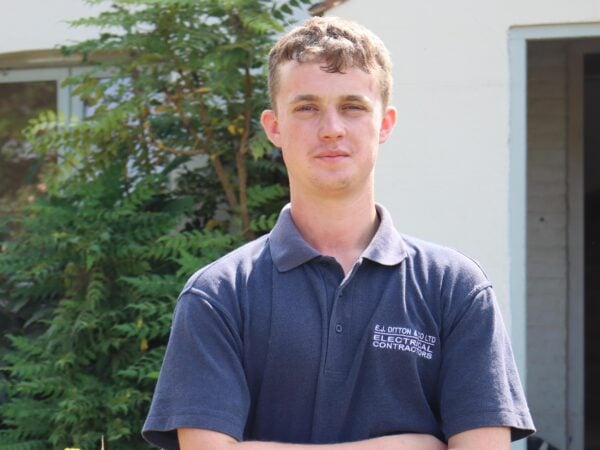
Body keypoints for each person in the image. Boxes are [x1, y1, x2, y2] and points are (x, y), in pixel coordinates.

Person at [142, 16, 535, 450]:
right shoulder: (219, 295)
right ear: (274, 127)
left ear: (384, 124)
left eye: (352, 106)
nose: (331, 128)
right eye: (307, 107)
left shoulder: (454, 288)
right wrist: (413, 445)